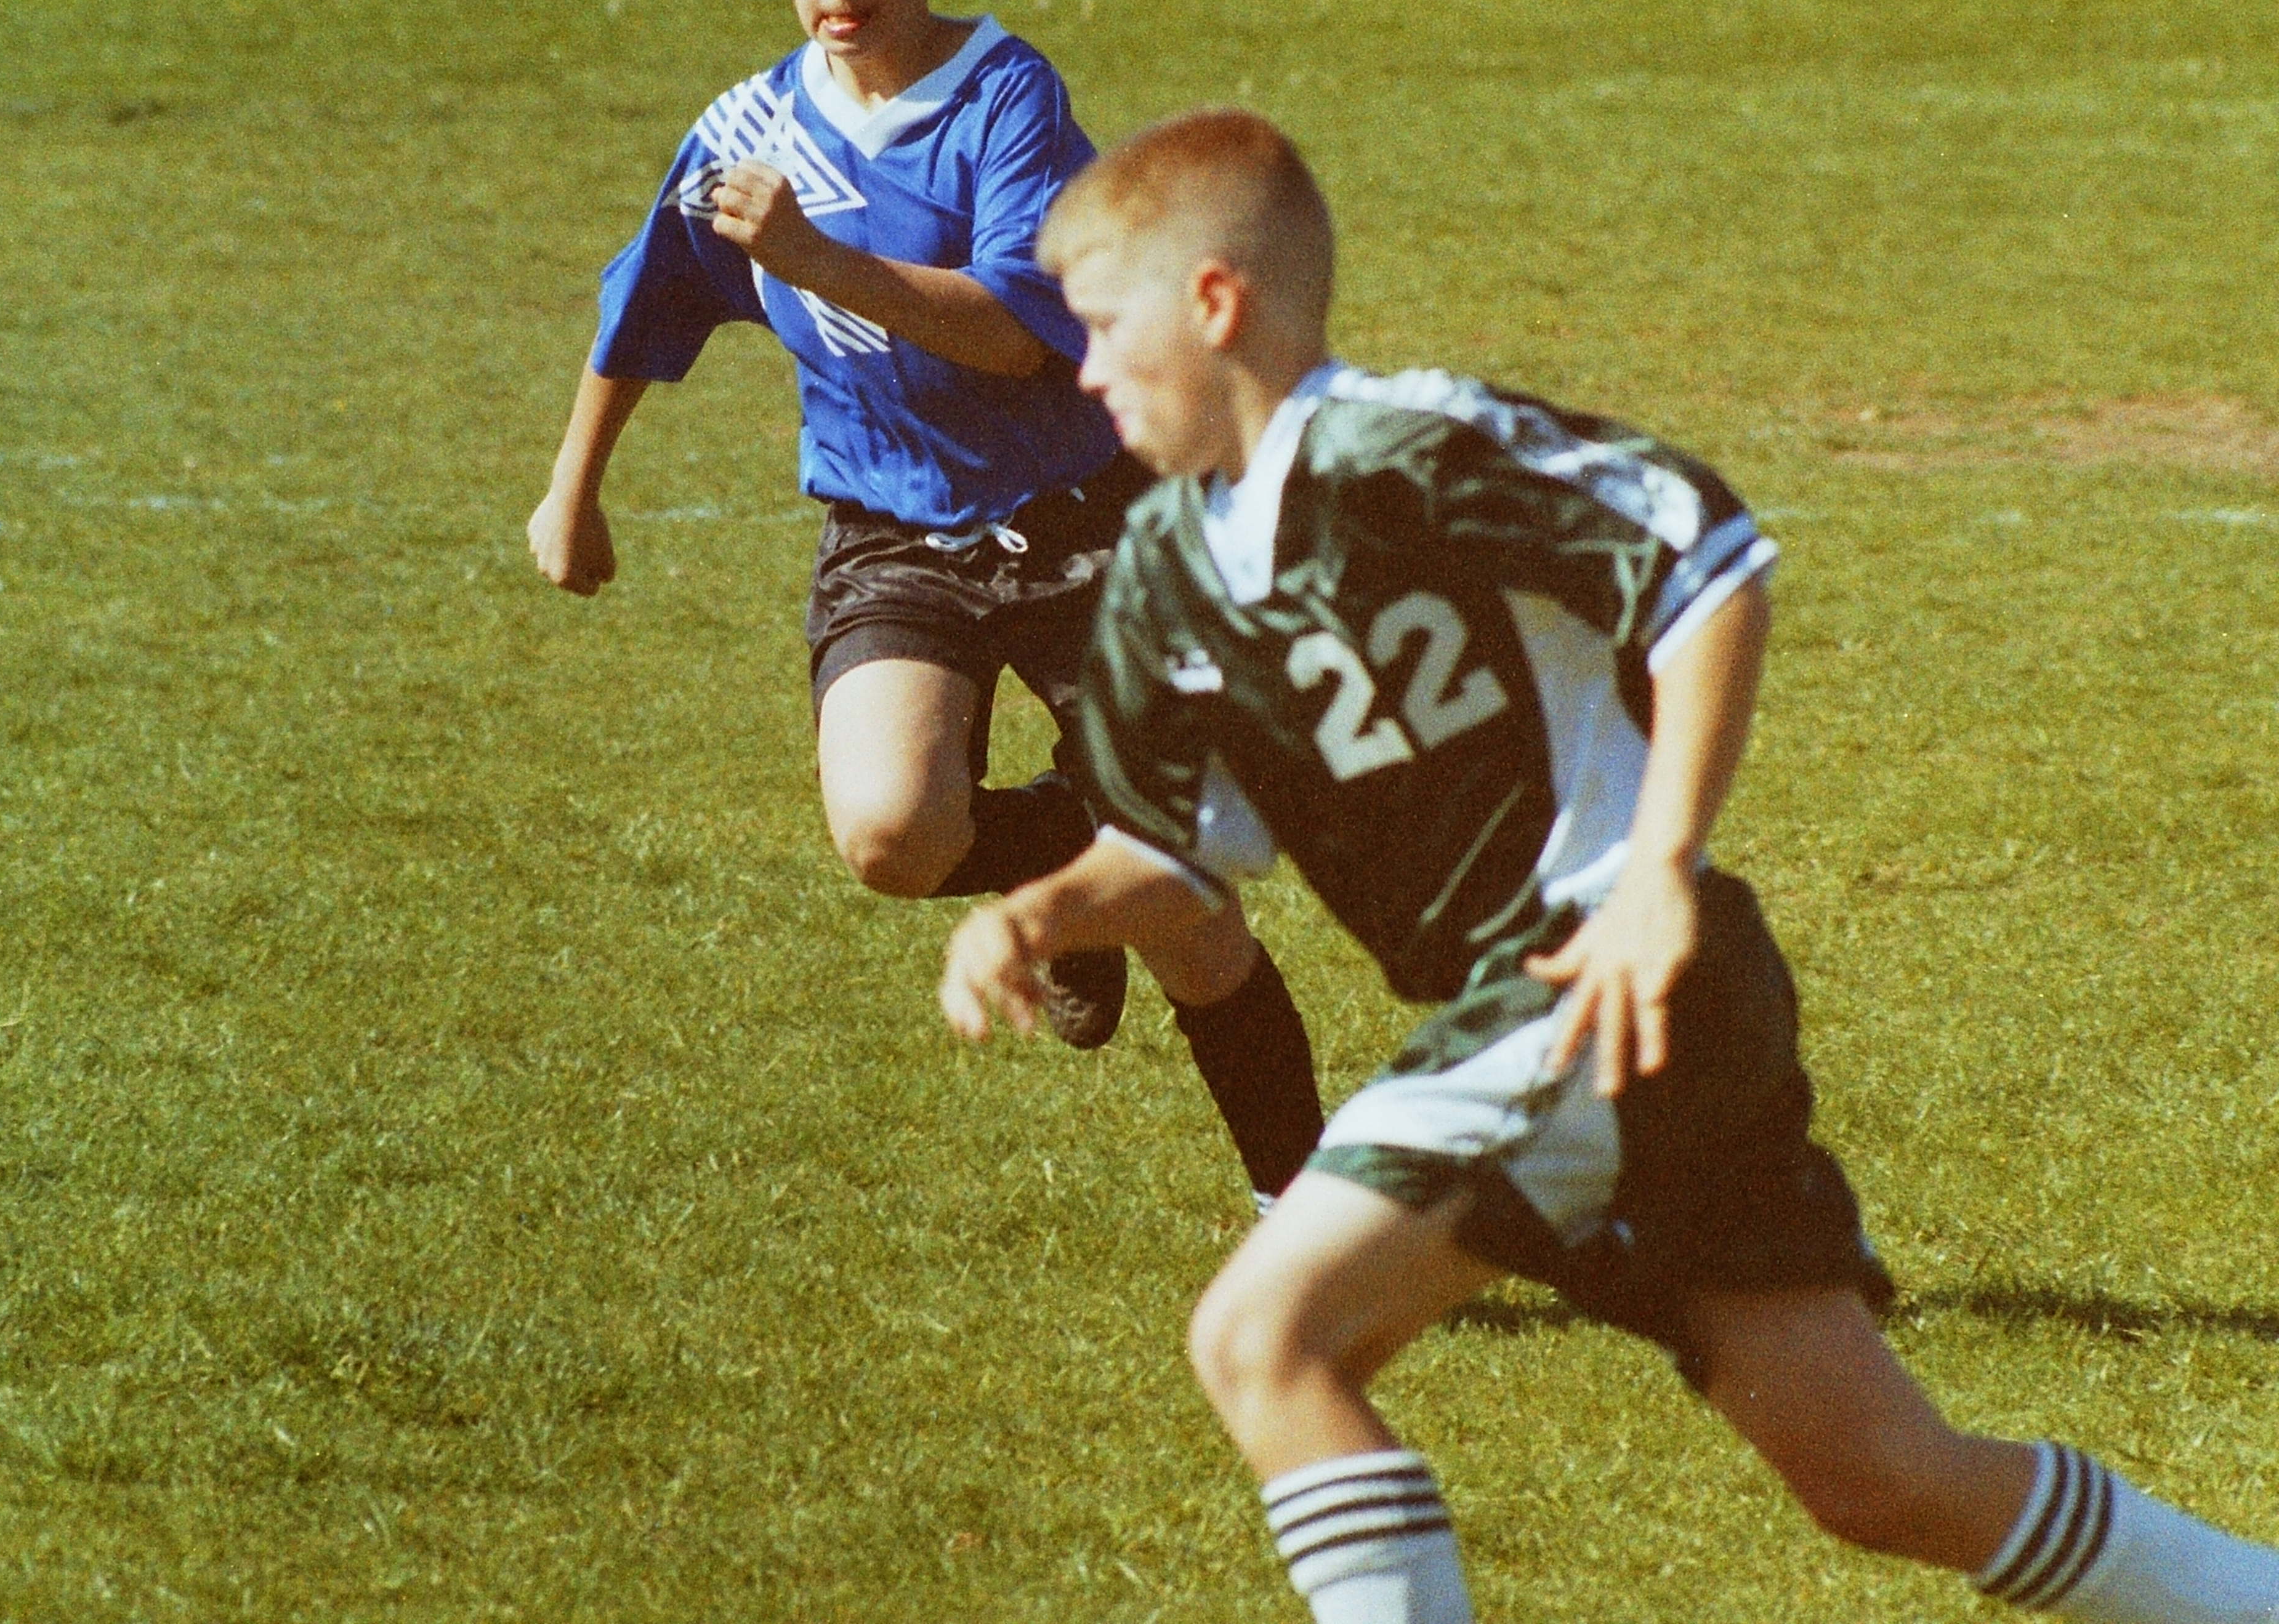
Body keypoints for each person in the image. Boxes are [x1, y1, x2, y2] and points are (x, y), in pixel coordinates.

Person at [940, 107, 2279, 1624]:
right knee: (1883, 1479)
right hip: (1615, 1015)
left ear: (1216, 304)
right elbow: (1180, 856)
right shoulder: (1164, 578)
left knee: (1265, 1340)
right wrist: (1043, 910)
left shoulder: (1406, 449)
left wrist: (1657, 870)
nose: (1086, 370)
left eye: (1107, 328)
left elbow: (1706, 564)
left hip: (1594, 973)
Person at [526, 0, 1324, 1201]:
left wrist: (814, 259)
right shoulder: (747, 134)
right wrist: (572, 491)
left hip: (1087, 526)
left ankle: (1300, 1203)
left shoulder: (1006, 95)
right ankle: (1069, 865)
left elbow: (1018, 332)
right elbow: (644, 305)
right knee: (892, 836)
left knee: (1187, 913)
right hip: (894, 530)